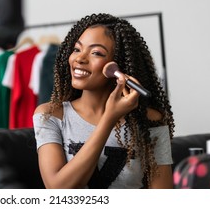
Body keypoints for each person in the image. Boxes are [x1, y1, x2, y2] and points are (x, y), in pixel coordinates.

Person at [33, 13, 175, 189]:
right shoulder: (50, 115)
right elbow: (58, 189)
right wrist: (109, 118)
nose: (79, 58)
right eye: (77, 49)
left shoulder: (151, 121)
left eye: (96, 53)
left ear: (118, 66)